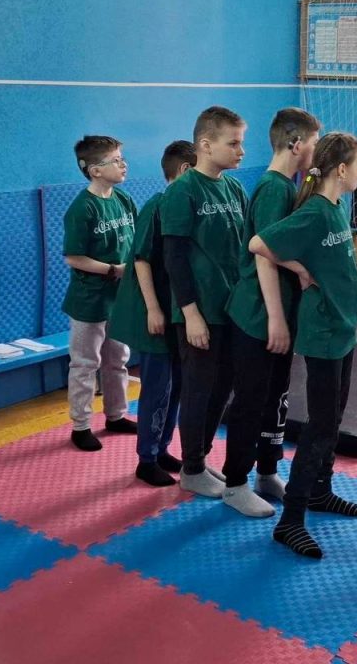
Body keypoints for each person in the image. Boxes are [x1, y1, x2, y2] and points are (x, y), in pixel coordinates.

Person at [250, 132, 357, 560]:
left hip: (343, 329)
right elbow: (258, 244)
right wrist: (298, 268)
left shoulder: (336, 207)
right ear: (342, 169)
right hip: (322, 336)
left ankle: (321, 491)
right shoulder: (315, 212)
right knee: (320, 428)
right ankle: (291, 520)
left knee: (333, 420)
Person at [222, 108, 321, 518]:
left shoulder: (291, 184)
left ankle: (266, 472)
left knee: (277, 396)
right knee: (252, 399)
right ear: (296, 145)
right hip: (257, 315)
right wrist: (276, 319)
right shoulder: (272, 188)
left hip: (279, 311)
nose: (317, 150)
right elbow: (264, 255)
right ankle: (234, 484)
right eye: (314, 143)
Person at [161, 107, 247, 496]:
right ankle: (191, 467)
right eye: (234, 143)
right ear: (206, 145)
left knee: (222, 388)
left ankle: (200, 458)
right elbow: (174, 258)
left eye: (241, 143)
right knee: (198, 389)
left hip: (231, 310)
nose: (241, 151)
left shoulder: (235, 189)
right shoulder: (182, 191)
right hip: (200, 313)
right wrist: (190, 313)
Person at [109, 140, 196, 486]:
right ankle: (146, 459)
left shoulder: (187, 205)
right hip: (155, 313)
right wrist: (154, 309)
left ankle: (162, 449)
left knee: (176, 385)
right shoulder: (156, 206)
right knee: (158, 387)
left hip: (176, 312)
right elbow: (142, 260)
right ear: (186, 170)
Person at [61, 135, 138, 452]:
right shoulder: (82, 208)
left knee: (118, 359)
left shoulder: (123, 200)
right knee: (85, 364)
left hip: (119, 299)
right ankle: (80, 426)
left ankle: (116, 415)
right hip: (89, 300)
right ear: (95, 170)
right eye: (115, 160)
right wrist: (113, 270)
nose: (123, 165)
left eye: (122, 158)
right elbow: (74, 257)